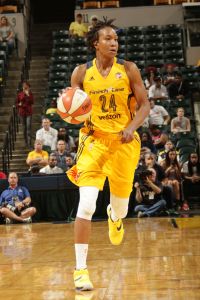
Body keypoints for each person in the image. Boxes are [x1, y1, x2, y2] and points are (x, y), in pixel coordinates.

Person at [66, 19, 150, 290]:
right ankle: (80, 270)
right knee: (87, 205)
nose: (114, 43)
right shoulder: (80, 73)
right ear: (95, 43)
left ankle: (115, 216)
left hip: (123, 144)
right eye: (108, 39)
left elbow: (145, 105)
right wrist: (71, 115)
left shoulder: (128, 69)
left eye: (116, 39)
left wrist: (131, 127)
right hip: (93, 143)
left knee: (122, 208)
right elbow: (74, 111)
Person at [16, 81, 34, 147]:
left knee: (28, 127)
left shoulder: (30, 94)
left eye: (26, 86)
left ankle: (29, 143)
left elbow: (32, 102)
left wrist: (28, 95)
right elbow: (17, 103)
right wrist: (19, 104)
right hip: (22, 112)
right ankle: (26, 142)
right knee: (24, 128)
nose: (25, 87)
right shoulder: (20, 94)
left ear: (29, 87)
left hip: (29, 112)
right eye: (24, 86)